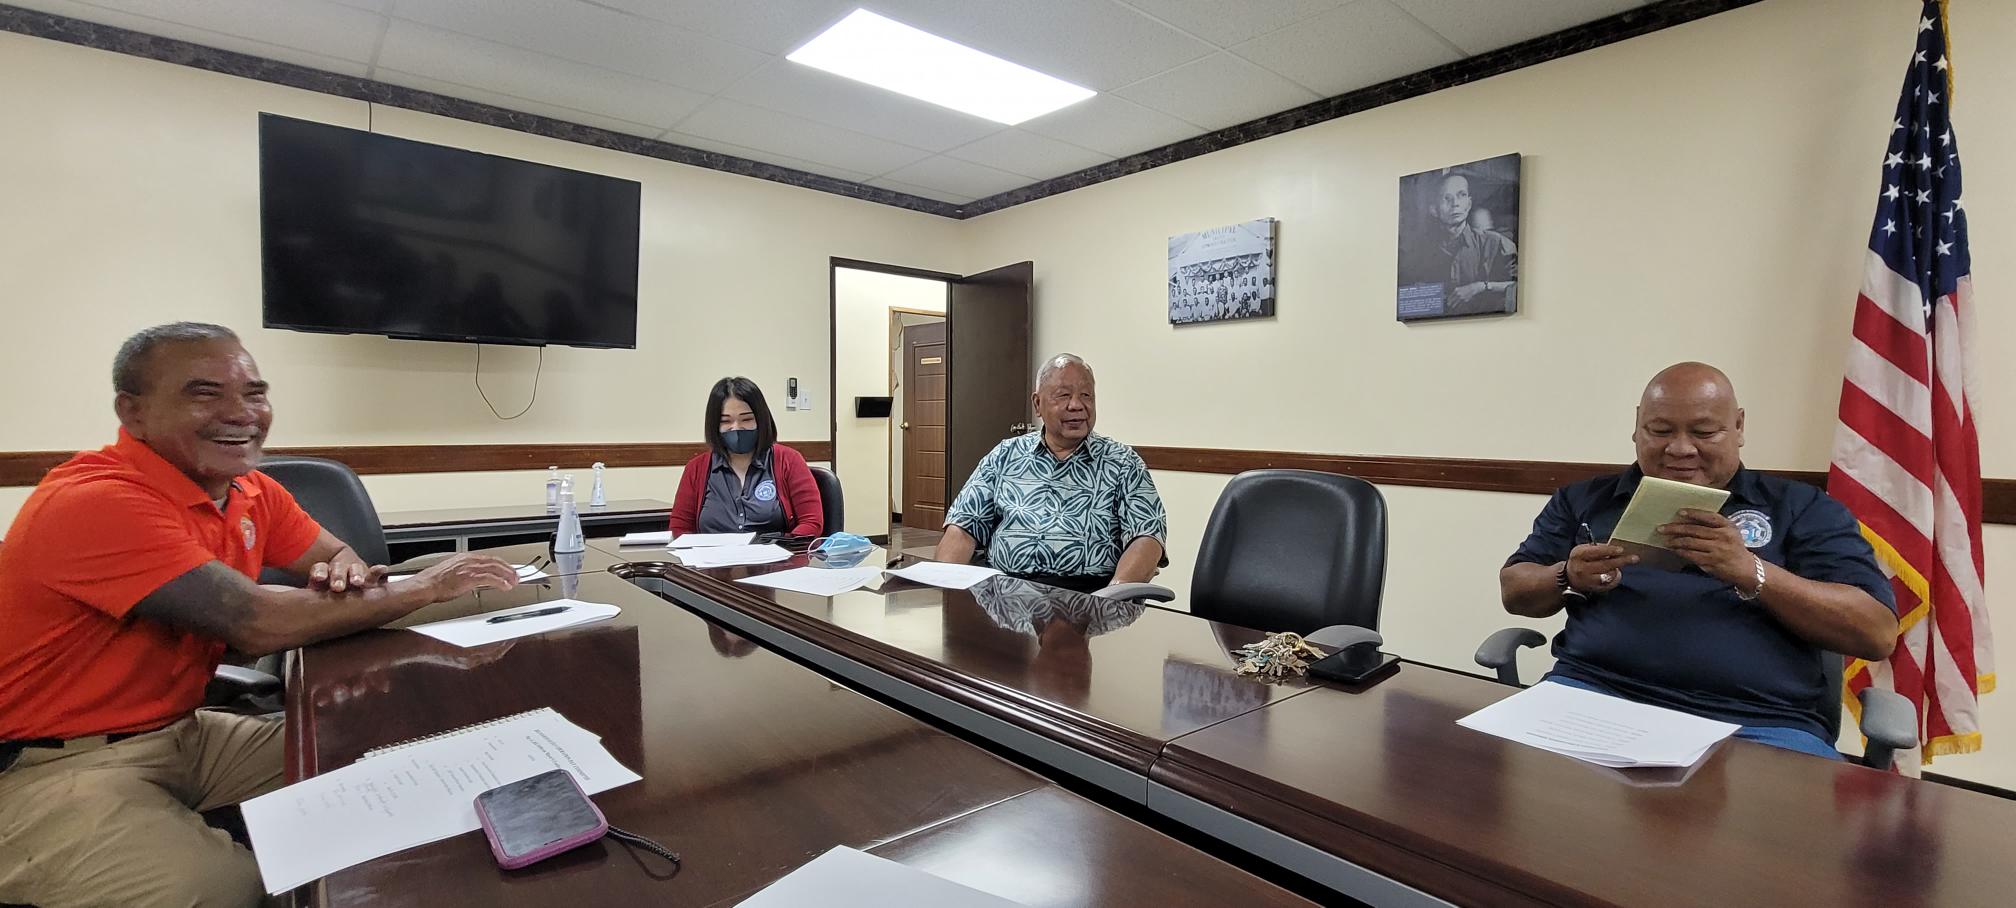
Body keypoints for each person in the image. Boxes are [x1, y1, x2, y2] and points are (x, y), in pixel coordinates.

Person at [0, 322, 523, 908]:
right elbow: (255, 621)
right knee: (220, 889)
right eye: (204, 393)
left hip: (184, 733)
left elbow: (341, 559)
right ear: (133, 411)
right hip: (52, 763)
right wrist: (425, 585)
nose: (240, 412)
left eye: (253, 393)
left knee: (395, 750)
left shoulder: (249, 489)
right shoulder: (97, 500)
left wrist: (345, 581)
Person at [1499, 362, 1900, 759]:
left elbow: (1876, 633)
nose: (1680, 448)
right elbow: (1515, 590)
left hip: (1757, 724)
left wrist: (1751, 572)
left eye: (1704, 432)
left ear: (1739, 427)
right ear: (1637, 426)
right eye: (1659, 431)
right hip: (1595, 698)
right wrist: (1566, 574)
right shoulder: (1584, 499)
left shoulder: (1803, 509)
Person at [933, 354, 1167, 594]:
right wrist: (944, 592)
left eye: (1086, 395)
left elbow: (1147, 538)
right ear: (1037, 404)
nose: (1076, 405)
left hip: (1088, 601)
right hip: (1005, 602)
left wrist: (1110, 598)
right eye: (1063, 395)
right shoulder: (1005, 456)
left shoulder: (1122, 463)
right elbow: (962, 529)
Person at [668, 377, 824, 538]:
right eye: (725, 421)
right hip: (712, 561)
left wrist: (781, 547)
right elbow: (680, 528)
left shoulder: (789, 460)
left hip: (775, 559)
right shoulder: (696, 468)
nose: (736, 427)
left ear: (761, 419)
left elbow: (811, 522)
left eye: (747, 419)